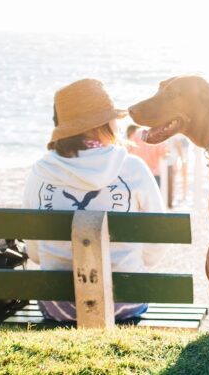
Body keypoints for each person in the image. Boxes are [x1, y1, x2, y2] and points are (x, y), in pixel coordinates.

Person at [22, 79, 166, 322]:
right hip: (125, 300)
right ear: (104, 124)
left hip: (58, 304)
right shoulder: (132, 167)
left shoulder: (40, 171)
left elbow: (34, 253)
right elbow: (157, 242)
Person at [166, 134, 190, 207]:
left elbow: (178, 142)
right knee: (179, 174)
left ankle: (182, 195)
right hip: (177, 151)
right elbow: (178, 143)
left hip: (179, 150)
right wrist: (182, 158)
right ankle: (180, 195)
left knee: (181, 174)